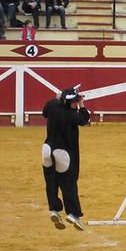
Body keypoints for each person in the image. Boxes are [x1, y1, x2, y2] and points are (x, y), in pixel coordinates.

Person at [42, 85, 90, 231]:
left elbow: (45, 112)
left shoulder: (52, 105)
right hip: (64, 153)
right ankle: (73, 213)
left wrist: (57, 98)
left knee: (51, 182)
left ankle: (54, 209)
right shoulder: (72, 115)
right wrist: (82, 105)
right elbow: (84, 119)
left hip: (47, 150)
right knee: (69, 183)